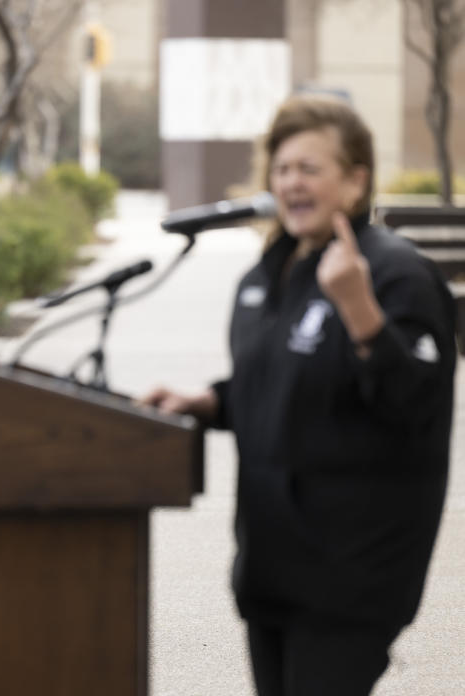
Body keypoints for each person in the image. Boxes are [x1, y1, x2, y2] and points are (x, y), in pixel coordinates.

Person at [142, 95, 456, 695]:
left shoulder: (393, 274)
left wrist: (361, 311)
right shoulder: (271, 272)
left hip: (352, 575)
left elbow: (418, 406)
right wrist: (207, 403)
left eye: (310, 168)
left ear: (355, 180)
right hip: (272, 566)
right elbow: (280, 389)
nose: (291, 183)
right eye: (282, 169)